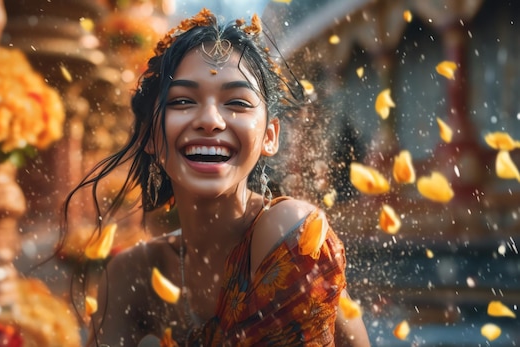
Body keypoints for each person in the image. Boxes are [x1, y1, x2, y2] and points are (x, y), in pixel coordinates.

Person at [62, 8, 370, 347]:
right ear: (150, 135)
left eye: (237, 102)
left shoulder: (291, 232)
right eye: (181, 101)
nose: (210, 120)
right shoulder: (130, 273)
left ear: (270, 136)